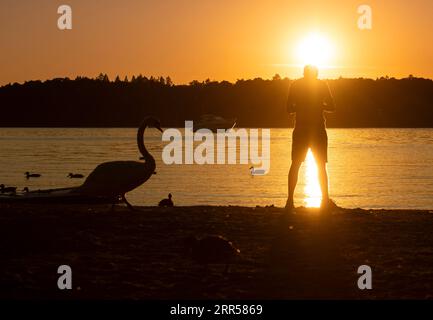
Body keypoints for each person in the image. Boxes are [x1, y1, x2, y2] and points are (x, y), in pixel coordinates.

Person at [285, 65, 336, 212]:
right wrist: (319, 104)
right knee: (320, 165)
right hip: (317, 130)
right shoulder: (322, 85)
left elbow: (288, 109)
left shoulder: (295, 85)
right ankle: (325, 200)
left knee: (295, 164)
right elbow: (332, 107)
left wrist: (300, 106)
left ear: (304, 73)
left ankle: (290, 201)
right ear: (315, 74)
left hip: (301, 129)